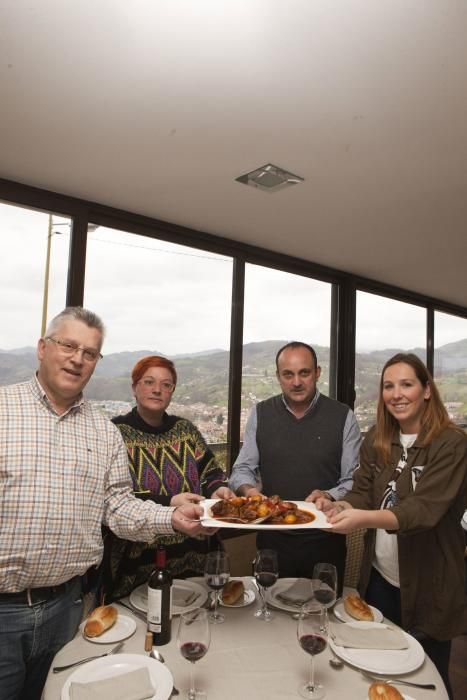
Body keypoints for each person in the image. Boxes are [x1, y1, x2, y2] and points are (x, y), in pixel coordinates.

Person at [0, 307, 212, 700]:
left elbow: (118, 507)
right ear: (42, 348)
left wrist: (173, 518)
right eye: (68, 345)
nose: (78, 358)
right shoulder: (3, 411)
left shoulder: (102, 431)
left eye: (90, 352)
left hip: (68, 609)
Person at [317, 353, 467, 698]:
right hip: (381, 581)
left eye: (407, 384)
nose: (396, 394)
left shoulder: (452, 443)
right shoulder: (378, 439)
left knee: (426, 682)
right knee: (377, 673)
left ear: (427, 390)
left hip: (432, 587)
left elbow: (423, 511)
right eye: (388, 386)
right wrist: (337, 505)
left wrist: (363, 518)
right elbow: (362, 493)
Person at [229, 341, 361, 591]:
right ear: (278, 376)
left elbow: (353, 480)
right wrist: (249, 492)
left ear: (318, 373)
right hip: (272, 540)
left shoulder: (343, 416)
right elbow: (241, 470)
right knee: (268, 616)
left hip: (326, 540)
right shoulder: (261, 413)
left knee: (322, 618)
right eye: (288, 374)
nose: (296, 382)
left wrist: (329, 495)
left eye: (304, 373)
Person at [101, 355, 234, 601]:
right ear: (134, 387)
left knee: (199, 619)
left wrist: (218, 489)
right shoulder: (115, 433)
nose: (157, 390)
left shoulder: (185, 430)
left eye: (166, 385)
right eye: (149, 382)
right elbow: (115, 498)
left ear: (173, 391)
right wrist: (169, 501)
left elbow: (210, 471)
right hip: (140, 557)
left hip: (195, 548)